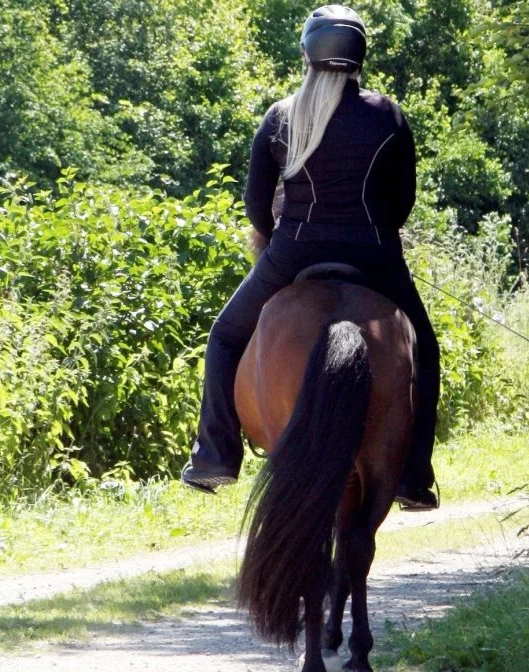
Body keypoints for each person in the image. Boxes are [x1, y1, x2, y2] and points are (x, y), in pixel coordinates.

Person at [180, 4, 440, 511]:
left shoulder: (283, 115)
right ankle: (413, 475)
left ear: (307, 54)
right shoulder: (388, 115)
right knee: (425, 350)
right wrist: (373, 229)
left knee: (226, 336)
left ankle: (216, 453)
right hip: (375, 254)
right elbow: (402, 202)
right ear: (359, 56)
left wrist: (285, 233)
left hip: (293, 251)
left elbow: (257, 207)